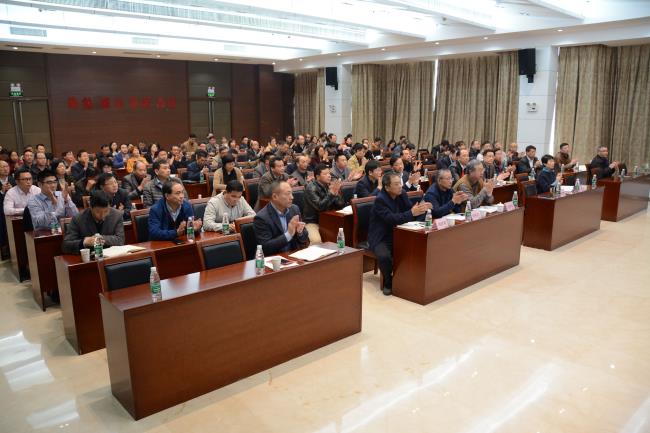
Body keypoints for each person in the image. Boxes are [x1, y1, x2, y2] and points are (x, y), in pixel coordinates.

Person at [368, 172, 431, 296]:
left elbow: (409, 210)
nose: (400, 186)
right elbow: (392, 219)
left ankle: (409, 278)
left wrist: (420, 210)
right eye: (396, 184)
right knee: (384, 256)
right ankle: (388, 281)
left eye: (400, 183)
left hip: (399, 232)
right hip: (381, 236)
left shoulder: (401, 194)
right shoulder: (380, 200)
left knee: (416, 247)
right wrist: (412, 213)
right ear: (387, 187)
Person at [253, 180, 309, 255]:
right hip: (275, 258)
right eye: (287, 194)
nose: (292, 197)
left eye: (291, 193)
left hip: (294, 254)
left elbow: (304, 238)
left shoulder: (294, 209)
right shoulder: (262, 218)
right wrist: (288, 234)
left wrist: (300, 232)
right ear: (275, 196)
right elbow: (265, 247)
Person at [303, 164, 345, 243]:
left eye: (329, 173)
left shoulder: (329, 185)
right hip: (313, 222)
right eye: (325, 174)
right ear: (317, 176)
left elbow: (341, 205)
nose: (329, 176)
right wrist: (331, 194)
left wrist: (336, 193)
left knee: (343, 233)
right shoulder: (311, 188)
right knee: (316, 241)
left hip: (328, 219)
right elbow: (320, 207)